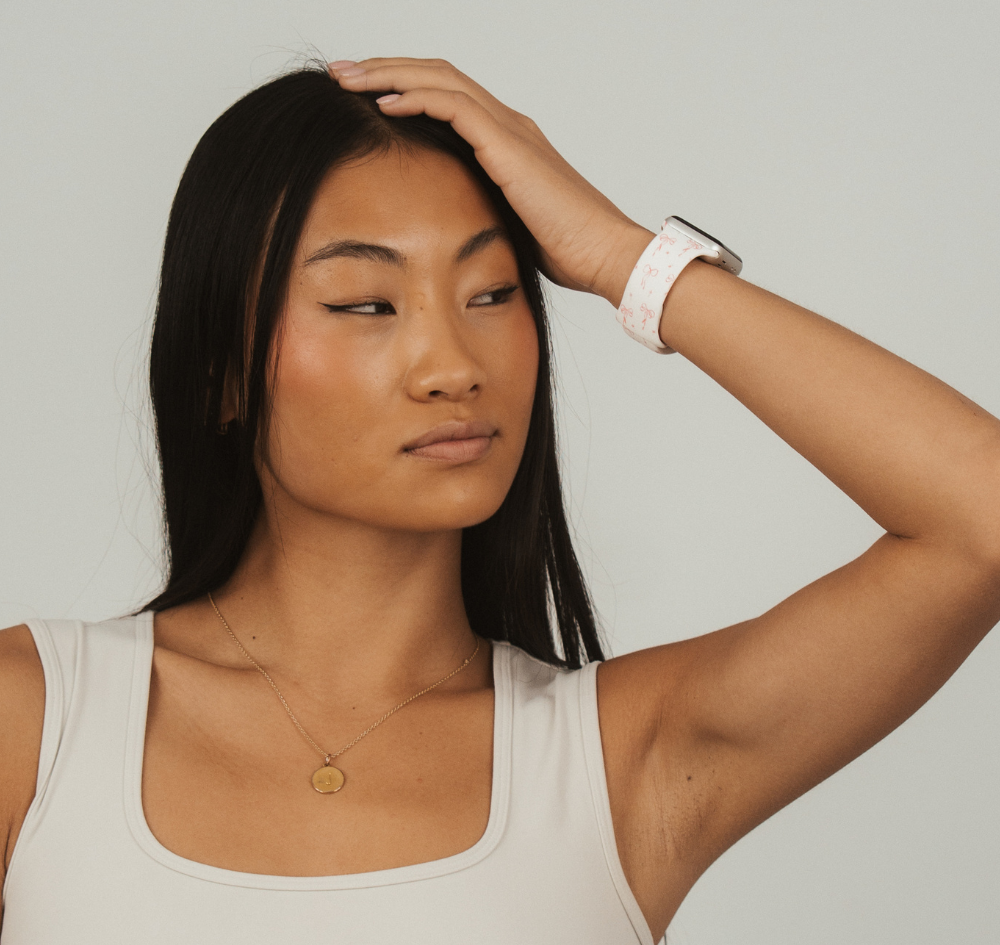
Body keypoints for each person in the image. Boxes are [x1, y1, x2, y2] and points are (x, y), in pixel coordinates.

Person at [0, 57, 997, 945]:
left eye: (491, 293)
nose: (453, 366)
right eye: (365, 304)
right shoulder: (33, 721)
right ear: (221, 372)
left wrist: (619, 255)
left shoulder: (624, 764)